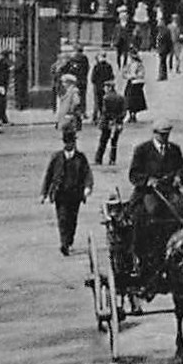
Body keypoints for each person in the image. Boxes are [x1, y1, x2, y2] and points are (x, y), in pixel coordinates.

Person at [128, 117, 183, 276]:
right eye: (162, 135)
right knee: (147, 214)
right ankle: (141, 254)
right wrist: (147, 181)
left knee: (182, 213)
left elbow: (182, 170)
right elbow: (133, 174)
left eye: (167, 134)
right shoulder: (142, 150)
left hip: (170, 191)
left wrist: (178, 178)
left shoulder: (175, 150)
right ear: (154, 133)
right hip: (148, 193)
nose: (165, 138)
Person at [41, 128, 94, 256]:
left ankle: (69, 240)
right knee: (63, 218)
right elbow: (48, 175)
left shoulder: (80, 158)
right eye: (66, 142)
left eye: (71, 142)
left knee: (72, 220)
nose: (69, 145)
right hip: (60, 194)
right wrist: (44, 193)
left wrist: (87, 187)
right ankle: (64, 243)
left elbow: (87, 174)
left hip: (75, 194)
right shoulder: (57, 157)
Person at [95, 83, 128, 165]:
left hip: (107, 122)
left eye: (105, 87)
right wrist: (118, 119)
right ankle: (112, 159)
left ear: (109, 88)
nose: (104, 89)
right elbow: (124, 111)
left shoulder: (106, 98)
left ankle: (99, 159)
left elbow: (104, 111)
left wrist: (109, 118)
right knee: (114, 142)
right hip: (117, 123)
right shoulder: (120, 97)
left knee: (103, 141)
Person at [90, 52, 116, 124]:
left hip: (98, 87)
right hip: (106, 87)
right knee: (106, 102)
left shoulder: (96, 66)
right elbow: (112, 76)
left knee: (97, 102)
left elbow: (93, 78)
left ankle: (95, 118)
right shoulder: (109, 66)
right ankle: (106, 117)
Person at [123, 54, 147, 124]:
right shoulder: (139, 65)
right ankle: (133, 114)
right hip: (137, 83)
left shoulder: (134, 65)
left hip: (134, 83)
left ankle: (132, 115)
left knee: (130, 100)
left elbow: (130, 74)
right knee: (135, 100)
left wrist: (130, 76)